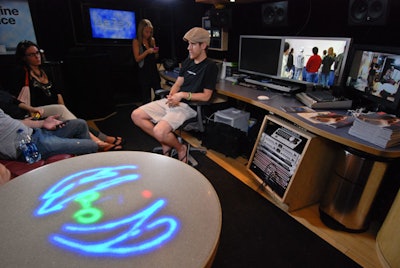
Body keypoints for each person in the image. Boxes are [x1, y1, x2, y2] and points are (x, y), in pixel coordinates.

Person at [9, 40, 123, 150]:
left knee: (73, 119)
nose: (36, 56)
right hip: (35, 114)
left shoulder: (45, 71)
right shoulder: (22, 73)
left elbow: (58, 93)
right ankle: (99, 142)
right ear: (24, 58)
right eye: (31, 54)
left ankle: (103, 139)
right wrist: (32, 109)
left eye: (38, 52)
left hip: (52, 111)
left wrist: (63, 109)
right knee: (62, 111)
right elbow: (14, 100)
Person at [131, 27, 218, 163]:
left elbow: (206, 96)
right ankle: (166, 142)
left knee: (160, 131)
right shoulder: (188, 61)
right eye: (188, 44)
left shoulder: (211, 66)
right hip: (175, 101)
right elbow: (177, 84)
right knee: (136, 115)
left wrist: (182, 95)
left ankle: (180, 148)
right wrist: (172, 96)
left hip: (189, 107)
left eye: (193, 44)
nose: (188, 48)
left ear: (203, 46)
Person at [0, 108, 100, 161]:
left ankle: (84, 166)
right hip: (29, 148)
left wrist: (42, 123)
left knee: (80, 124)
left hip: (36, 132)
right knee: (92, 145)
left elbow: (13, 122)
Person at [132, 19, 161, 104]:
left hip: (153, 71)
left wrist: (156, 51)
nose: (148, 34)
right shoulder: (136, 41)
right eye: (146, 32)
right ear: (141, 30)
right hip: (144, 72)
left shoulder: (152, 40)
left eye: (150, 32)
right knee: (146, 99)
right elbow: (137, 59)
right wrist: (147, 52)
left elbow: (155, 56)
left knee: (159, 94)